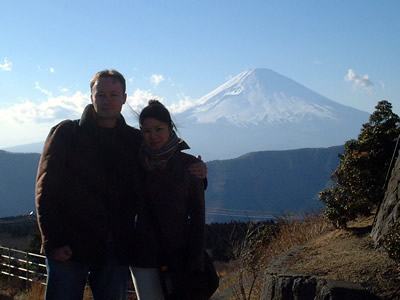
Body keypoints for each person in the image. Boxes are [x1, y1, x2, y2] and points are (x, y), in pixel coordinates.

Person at [35, 70, 207, 300]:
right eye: (101, 94)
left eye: (114, 94)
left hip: (114, 247)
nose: (107, 100)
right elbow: (46, 189)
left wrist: (197, 173)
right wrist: (53, 240)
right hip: (69, 244)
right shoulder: (67, 134)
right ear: (91, 97)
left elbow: (163, 170)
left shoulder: (134, 139)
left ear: (124, 98)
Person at [130, 100, 207, 300]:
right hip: (143, 254)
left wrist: (196, 263)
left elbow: (198, 218)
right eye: (146, 131)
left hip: (180, 254)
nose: (153, 136)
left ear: (170, 128)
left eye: (159, 129)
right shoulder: (134, 164)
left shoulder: (189, 166)